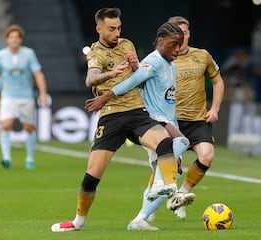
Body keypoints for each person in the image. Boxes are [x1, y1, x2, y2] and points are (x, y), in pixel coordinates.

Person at [51, 8, 191, 232]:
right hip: (111, 116)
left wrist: (135, 65)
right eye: (111, 28)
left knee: (165, 142)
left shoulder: (127, 45)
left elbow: (138, 76)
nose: (117, 32)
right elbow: (91, 79)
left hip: (136, 111)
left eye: (119, 27)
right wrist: (112, 73)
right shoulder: (95, 53)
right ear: (99, 29)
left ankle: (168, 187)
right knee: (91, 177)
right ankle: (78, 222)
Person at [84, 20, 197, 230]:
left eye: (180, 44)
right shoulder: (153, 61)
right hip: (152, 120)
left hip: (166, 120)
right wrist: (106, 96)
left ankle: (144, 214)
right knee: (180, 142)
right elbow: (132, 81)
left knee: (174, 167)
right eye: (174, 44)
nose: (178, 49)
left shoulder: (169, 64)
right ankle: (164, 190)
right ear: (161, 41)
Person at [137, 15, 225, 222]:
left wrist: (215, 108)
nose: (181, 36)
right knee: (168, 170)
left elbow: (218, 81)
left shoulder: (202, 56)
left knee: (207, 156)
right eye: (177, 32)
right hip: (170, 120)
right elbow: (141, 83)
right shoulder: (160, 58)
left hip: (196, 119)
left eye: (184, 32)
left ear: (189, 33)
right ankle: (147, 207)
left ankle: (181, 194)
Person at [0, 24, 48, 170]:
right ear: (7, 39)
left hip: (26, 96)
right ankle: (6, 158)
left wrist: (43, 94)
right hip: (8, 95)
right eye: (11, 37)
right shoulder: (0, 56)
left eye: (17, 37)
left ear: (20, 40)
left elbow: (38, 74)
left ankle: (30, 158)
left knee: (29, 128)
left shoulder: (28, 54)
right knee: (6, 125)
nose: (14, 40)